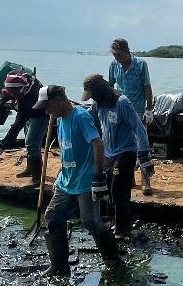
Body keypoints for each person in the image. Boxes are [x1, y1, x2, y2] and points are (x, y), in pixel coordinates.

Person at [34, 85, 122, 275]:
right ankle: (59, 265)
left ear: (58, 100)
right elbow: (67, 150)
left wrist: (98, 176)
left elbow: (97, 144)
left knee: (91, 222)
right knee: (52, 217)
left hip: (85, 182)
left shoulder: (80, 116)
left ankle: (113, 260)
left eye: (47, 106)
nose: (47, 111)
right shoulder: (59, 120)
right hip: (66, 182)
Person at [81, 74, 153, 235]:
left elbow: (139, 128)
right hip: (108, 153)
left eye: (93, 95)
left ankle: (122, 229)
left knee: (119, 192)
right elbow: (88, 116)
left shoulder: (122, 103)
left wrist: (144, 154)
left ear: (101, 91)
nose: (93, 99)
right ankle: (115, 222)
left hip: (125, 152)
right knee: (108, 191)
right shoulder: (97, 104)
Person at [108, 38, 155, 196]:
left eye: (119, 55)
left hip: (138, 110)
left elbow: (147, 87)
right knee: (125, 145)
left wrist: (149, 109)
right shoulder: (114, 66)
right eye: (114, 55)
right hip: (120, 110)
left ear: (127, 51)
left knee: (142, 144)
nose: (117, 58)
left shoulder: (141, 64)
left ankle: (145, 182)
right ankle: (129, 178)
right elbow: (110, 86)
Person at [0, 70, 47, 184]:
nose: (13, 96)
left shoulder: (30, 97)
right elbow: (6, 91)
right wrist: (0, 99)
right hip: (28, 115)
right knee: (28, 142)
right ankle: (30, 169)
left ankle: (36, 177)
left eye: (15, 94)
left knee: (32, 143)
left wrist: (1, 146)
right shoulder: (16, 77)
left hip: (40, 115)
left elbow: (17, 125)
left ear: (21, 90)